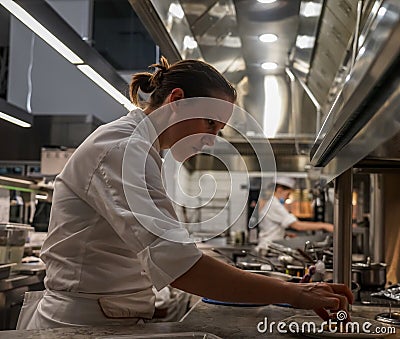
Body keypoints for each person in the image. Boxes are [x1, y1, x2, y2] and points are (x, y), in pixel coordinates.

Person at [17, 57, 352, 330]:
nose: (212, 140)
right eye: (210, 124)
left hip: (110, 319)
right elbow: (181, 267)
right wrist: (294, 293)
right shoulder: (120, 149)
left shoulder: (144, 150)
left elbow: (169, 251)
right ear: (176, 101)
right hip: (79, 327)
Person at [257, 177, 334, 249]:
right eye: (288, 194)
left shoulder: (273, 202)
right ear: (279, 190)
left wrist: (285, 234)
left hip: (271, 245)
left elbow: (271, 227)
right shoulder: (274, 204)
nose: (288, 197)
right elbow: (297, 225)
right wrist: (324, 226)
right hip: (268, 247)